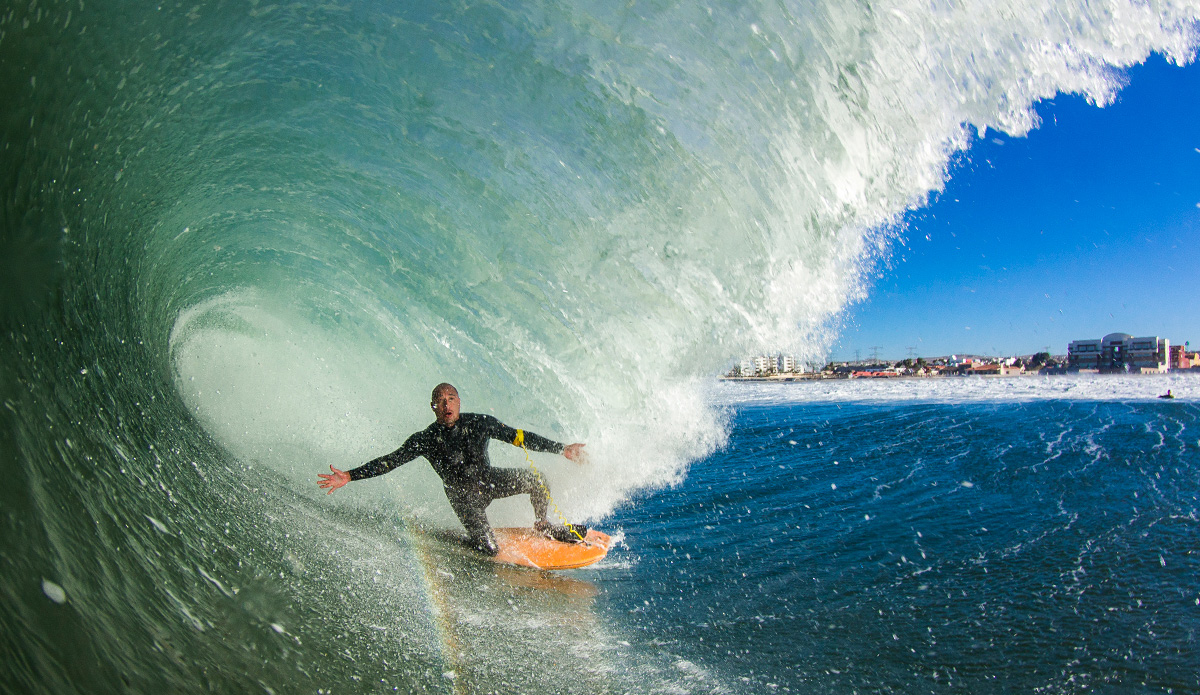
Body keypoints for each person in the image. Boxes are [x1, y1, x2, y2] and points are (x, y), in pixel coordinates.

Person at [317, 383, 587, 555]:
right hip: (464, 497)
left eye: (451, 398)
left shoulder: (481, 423)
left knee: (536, 478)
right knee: (490, 550)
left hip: (489, 481)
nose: (446, 404)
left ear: (459, 402)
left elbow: (520, 437)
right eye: (440, 400)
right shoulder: (425, 439)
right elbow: (391, 461)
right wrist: (351, 475)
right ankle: (466, 541)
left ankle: (543, 524)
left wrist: (561, 449)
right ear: (433, 407)